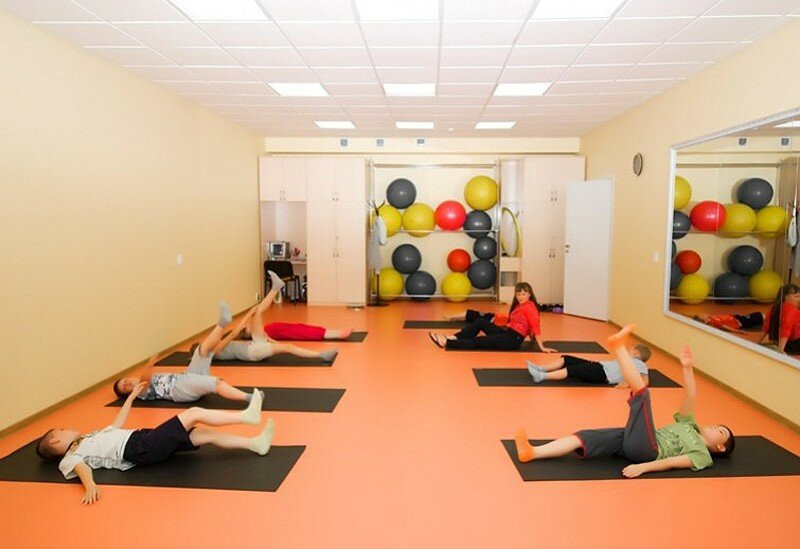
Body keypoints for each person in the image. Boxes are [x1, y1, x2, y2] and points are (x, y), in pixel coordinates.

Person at [513, 325, 735, 477]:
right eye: (719, 425)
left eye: (721, 431)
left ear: (720, 446)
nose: (716, 426)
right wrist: (687, 368)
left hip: (649, 450)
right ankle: (533, 452)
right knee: (584, 436)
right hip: (635, 439)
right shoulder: (689, 424)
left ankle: (619, 346)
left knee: (643, 395)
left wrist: (642, 468)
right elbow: (690, 396)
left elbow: (671, 463)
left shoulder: (703, 455)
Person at [36, 382, 275, 505]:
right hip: (139, 449)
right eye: (62, 430)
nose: (68, 429)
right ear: (56, 441)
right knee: (193, 413)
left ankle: (255, 444)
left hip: (142, 439)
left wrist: (130, 397)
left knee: (204, 434)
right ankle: (246, 416)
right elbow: (82, 469)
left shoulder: (88, 437)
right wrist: (89, 486)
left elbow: (117, 424)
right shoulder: (71, 456)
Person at [112, 303, 254, 403]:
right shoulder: (140, 393)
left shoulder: (143, 382)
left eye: (124, 381)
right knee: (215, 383)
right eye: (124, 388)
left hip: (185, 376)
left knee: (202, 350)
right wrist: (150, 362)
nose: (127, 384)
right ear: (128, 394)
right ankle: (249, 398)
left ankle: (222, 323)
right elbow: (145, 380)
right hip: (180, 390)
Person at [215, 271, 338, 363]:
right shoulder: (212, 352)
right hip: (254, 352)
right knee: (289, 348)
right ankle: (321, 355)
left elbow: (236, 335)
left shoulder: (212, 347)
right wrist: (248, 314)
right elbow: (233, 334)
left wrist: (271, 340)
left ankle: (276, 287)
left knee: (257, 312)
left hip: (255, 344)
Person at [429, 282, 556, 352]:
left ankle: (447, 342)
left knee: (479, 341)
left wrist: (542, 347)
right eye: (518, 294)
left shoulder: (530, 307)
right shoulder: (519, 305)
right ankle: (453, 337)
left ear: (529, 294)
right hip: (507, 332)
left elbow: (535, 327)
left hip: (512, 340)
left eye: (524, 294)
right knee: (480, 322)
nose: (520, 297)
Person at [525, 342, 652, 387]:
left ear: (636, 353)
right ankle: (541, 368)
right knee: (567, 359)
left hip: (602, 374)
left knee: (572, 369)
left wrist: (628, 384)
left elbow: (645, 381)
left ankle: (541, 376)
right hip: (599, 366)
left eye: (630, 349)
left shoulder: (640, 364)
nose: (627, 350)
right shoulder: (627, 359)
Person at [762, 283, 800, 353]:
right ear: (786, 297)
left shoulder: (774, 307)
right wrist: (780, 351)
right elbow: (786, 330)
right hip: (793, 344)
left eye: (799, 296)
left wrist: (759, 343)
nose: (798, 299)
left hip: (780, 342)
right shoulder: (792, 309)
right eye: (796, 297)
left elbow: (766, 328)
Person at [693, 312, 764, 333]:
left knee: (757, 316)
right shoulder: (713, 322)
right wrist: (738, 331)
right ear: (704, 320)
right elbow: (725, 327)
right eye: (702, 315)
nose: (703, 314)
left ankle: (762, 321)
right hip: (739, 322)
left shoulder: (710, 318)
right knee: (758, 315)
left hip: (736, 318)